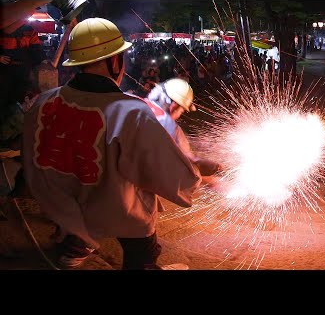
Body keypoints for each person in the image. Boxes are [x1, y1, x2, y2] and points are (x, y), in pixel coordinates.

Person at [21, 18, 202, 270]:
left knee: (80, 227)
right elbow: (176, 180)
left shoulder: (44, 102)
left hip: (65, 207)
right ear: (115, 61)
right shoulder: (131, 112)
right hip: (117, 209)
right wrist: (197, 173)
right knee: (144, 246)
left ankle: (74, 245)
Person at [144, 78, 221, 178]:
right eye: (182, 111)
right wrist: (215, 168)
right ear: (174, 105)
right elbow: (191, 162)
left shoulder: (133, 102)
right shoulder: (170, 127)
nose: (180, 115)